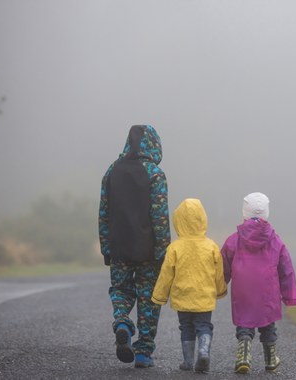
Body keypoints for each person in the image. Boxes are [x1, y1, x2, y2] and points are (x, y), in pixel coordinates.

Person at [98, 125, 171, 368]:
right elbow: (160, 217)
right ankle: (143, 352)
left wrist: (106, 247)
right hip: (148, 251)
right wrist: (164, 253)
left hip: (119, 246)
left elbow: (104, 213)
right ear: (153, 144)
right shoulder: (155, 174)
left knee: (120, 289)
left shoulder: (111, 172)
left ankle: (121, 323)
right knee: (149, 298)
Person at [221, 192, 296, 374]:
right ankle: (270, 358)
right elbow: (286, 269)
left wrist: (221, 283)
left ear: (244, 214)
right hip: (268, 290)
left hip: (243, 289)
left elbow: (223, 262)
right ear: (267, 214)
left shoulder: (235, 239)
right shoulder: (275, 240)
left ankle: (243, 354)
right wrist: (289, 296)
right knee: (267, 322)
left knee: (244, 322)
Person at [151, 198, 228, 373]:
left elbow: (166, 274)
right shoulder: (211, 246)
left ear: (179, 221)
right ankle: (203, 352)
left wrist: (159, 296)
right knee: (204, 325)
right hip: (204, 296)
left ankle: (188, 361)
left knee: (186, 327)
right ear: (203, 219)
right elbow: (218, 272)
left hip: (183, 296)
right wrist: (220, 289)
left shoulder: (175, 248)